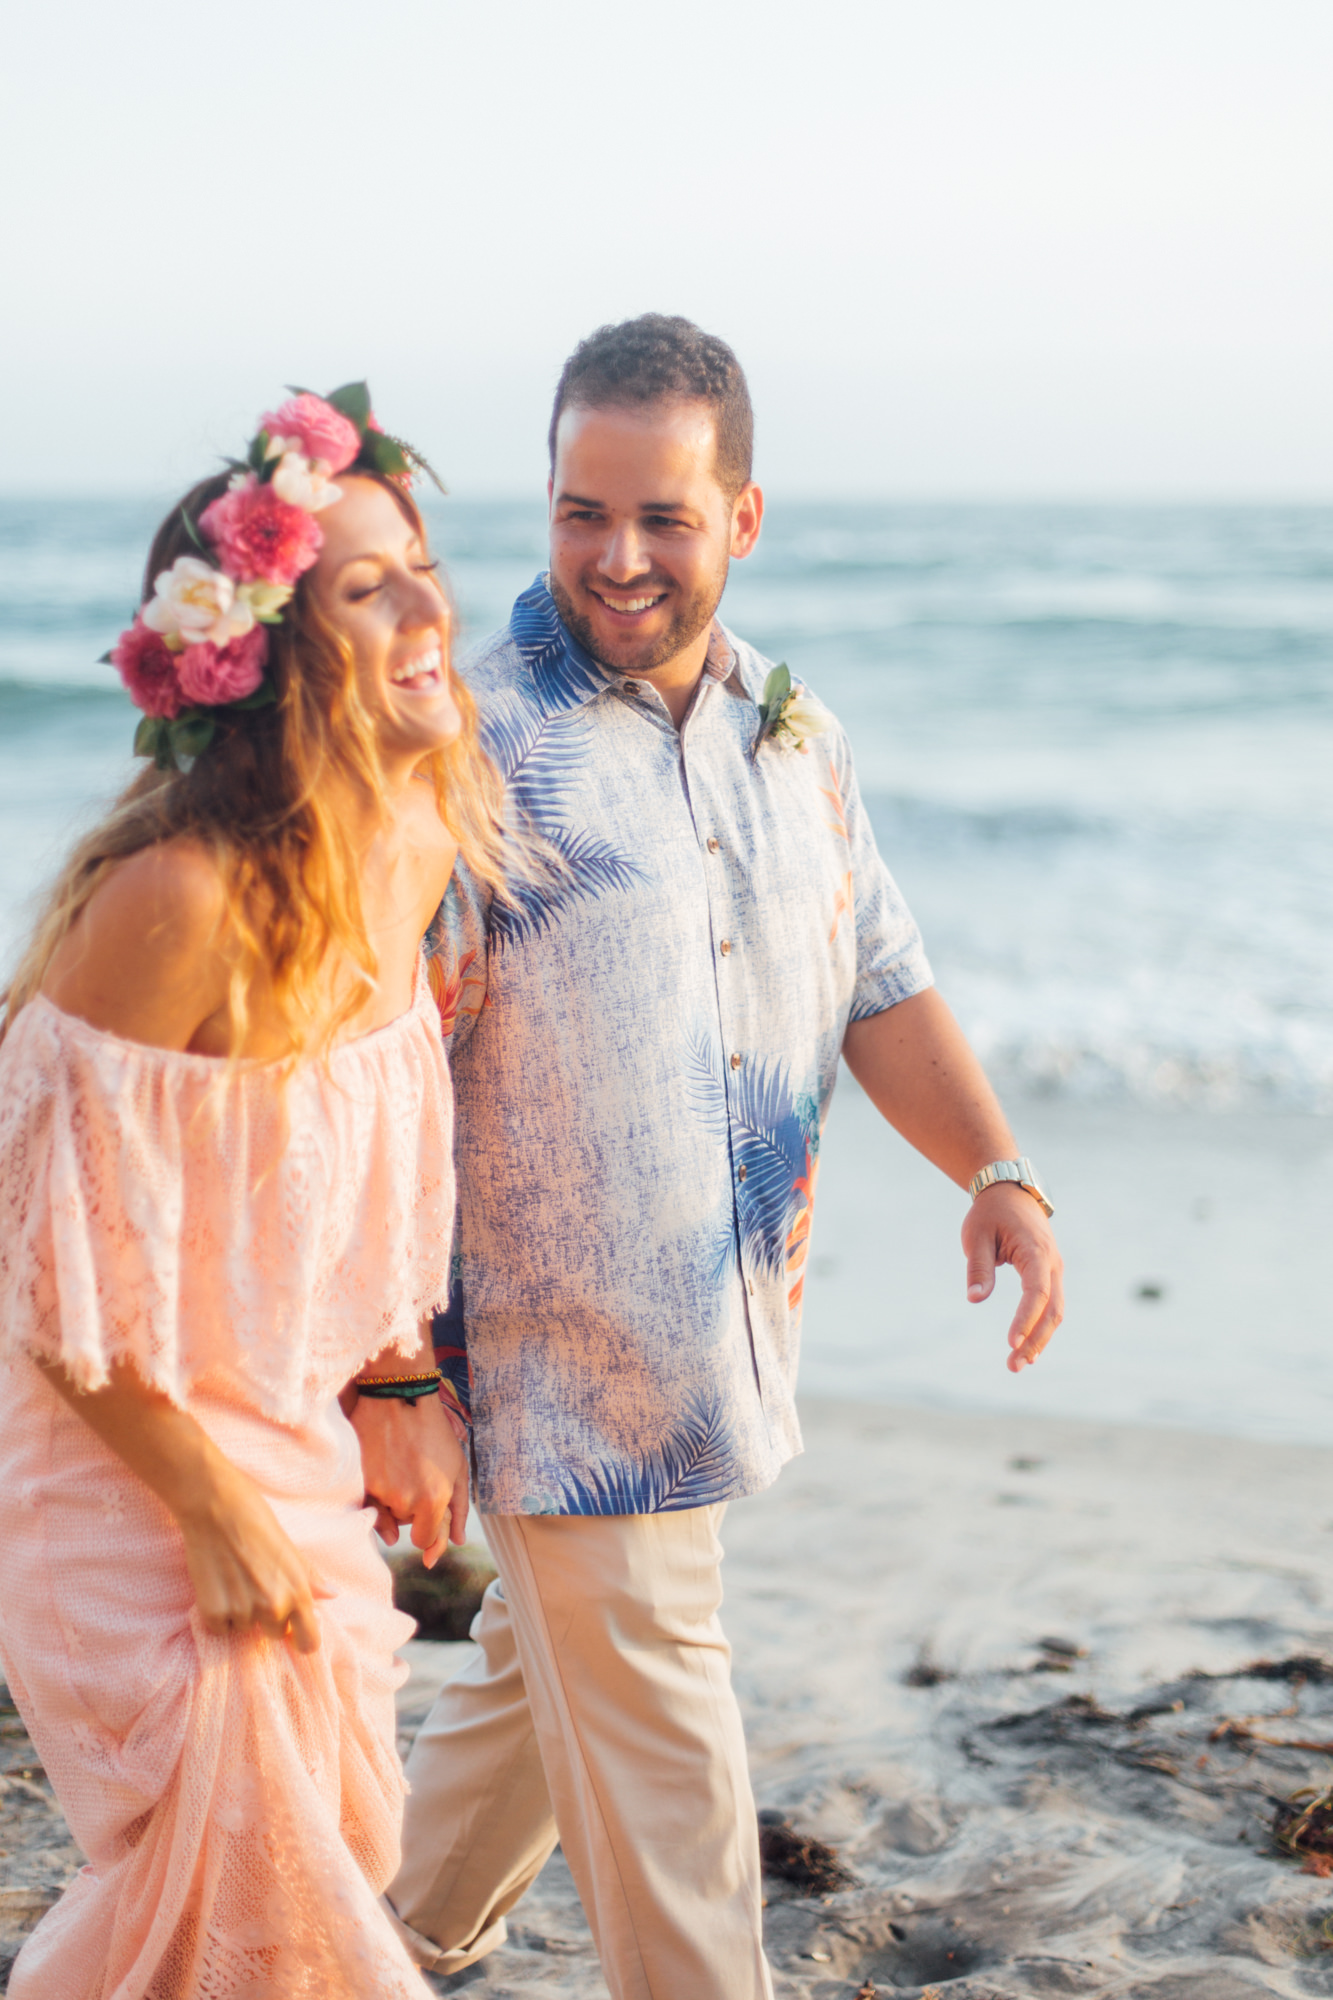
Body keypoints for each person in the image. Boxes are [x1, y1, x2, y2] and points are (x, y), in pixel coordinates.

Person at [367, 316, 1065, 1999]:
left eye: (662, 518)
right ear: (544, 501)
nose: (615, 557)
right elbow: (368, 1076)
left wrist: (996, 1172)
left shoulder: (794, 737)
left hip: (720, 1343)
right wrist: (392, 1365)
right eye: (577, 512)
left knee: (550, 1687)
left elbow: (877, 981)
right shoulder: (464, 748)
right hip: (546, 1362)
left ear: (739, 517)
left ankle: (357, 1947)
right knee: (670, 1750)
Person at [0, 386, 492, 1999]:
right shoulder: (178, 902)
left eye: (420, 563)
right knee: (259, 1918)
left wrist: (399, 1371)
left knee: (315, 1873)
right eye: (366, 586)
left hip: (287, 1437)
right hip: (121, 1465)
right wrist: (205, 1512)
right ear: (264, 651)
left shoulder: (417, 840)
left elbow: (361, 1184)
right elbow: (31, 1266)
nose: (428, 608)